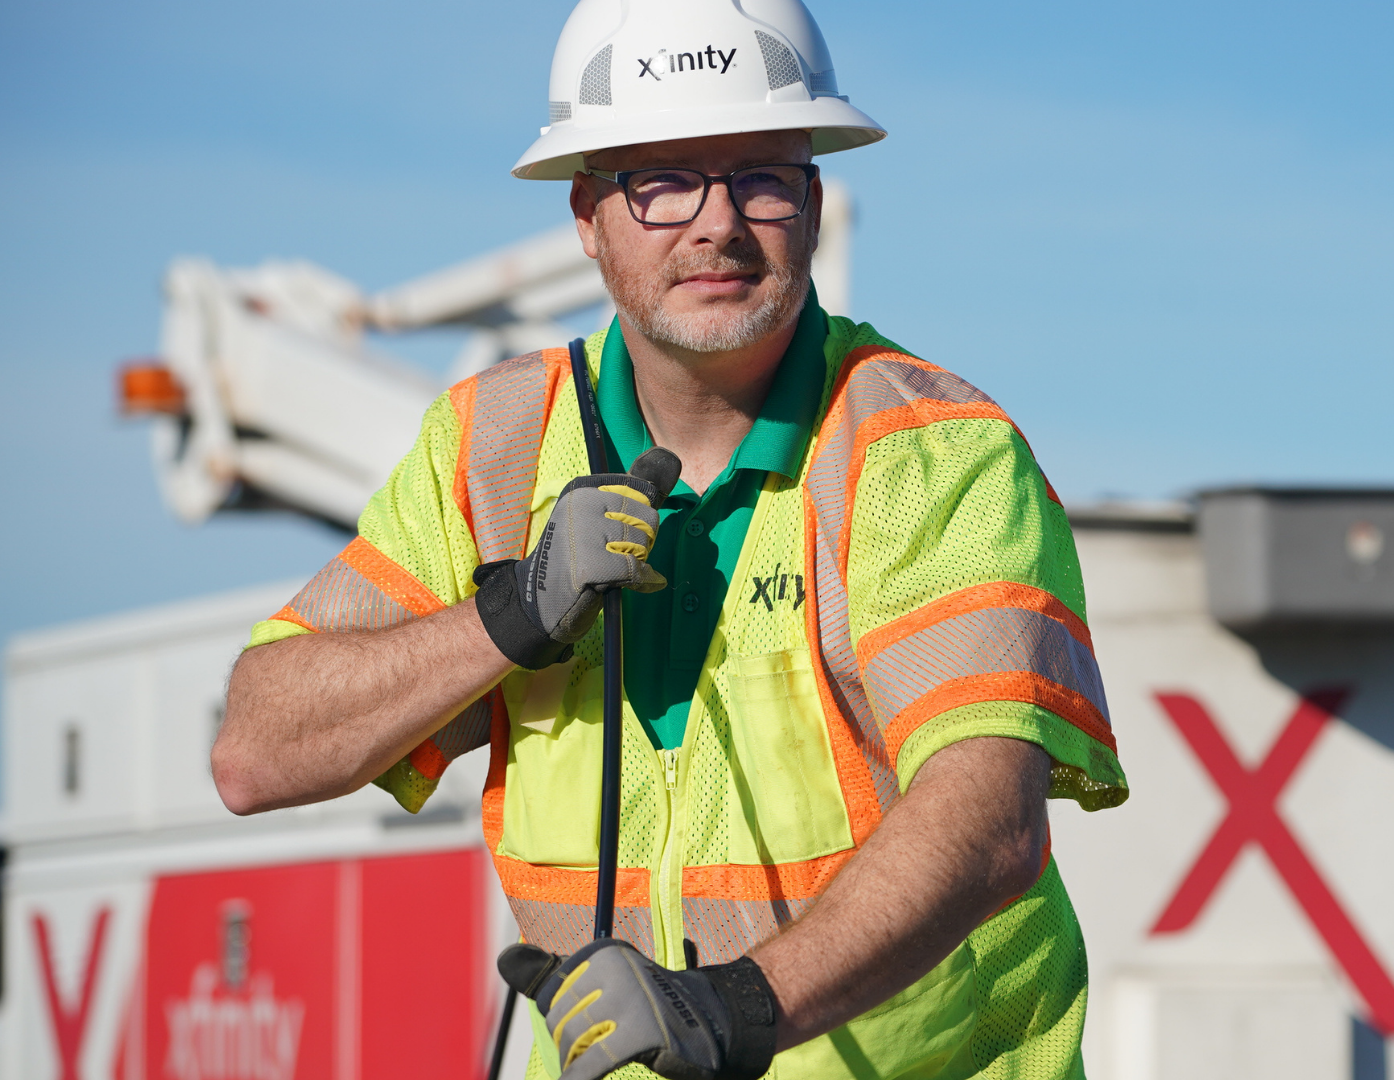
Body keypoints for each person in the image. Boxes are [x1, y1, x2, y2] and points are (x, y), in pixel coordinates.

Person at [212, 1, 1127, 1077]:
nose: (718, 224)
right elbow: (254, 750)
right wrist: (511, 616)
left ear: (816, 201)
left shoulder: (930, 453)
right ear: (587, 215)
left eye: (761, 176)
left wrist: (732, 1009)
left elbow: (987, 821)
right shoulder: (490, 447)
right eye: (662, 182)